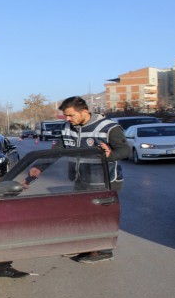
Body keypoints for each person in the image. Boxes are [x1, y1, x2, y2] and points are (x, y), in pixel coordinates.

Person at [55, 96, 129, 263]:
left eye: (70, 115)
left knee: (100, 217)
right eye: (66, 116)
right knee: (81, 216)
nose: (67, 119)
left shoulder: (108, 128)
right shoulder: (67, 127)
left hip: (105, 181)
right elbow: (58, 150)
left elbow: (125, 151)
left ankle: (103, 251)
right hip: (80, 179)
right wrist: (38, 168)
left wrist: (111, 155)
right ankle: (86, 248)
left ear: (85, 112)